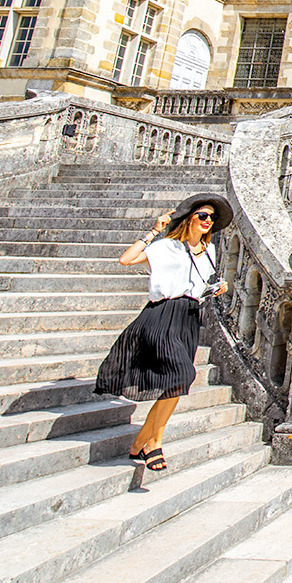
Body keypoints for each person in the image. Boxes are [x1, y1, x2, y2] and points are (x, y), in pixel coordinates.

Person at [94, 192, 233, 472]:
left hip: (190, 318)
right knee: (182, 375)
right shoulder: (167, 246)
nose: (208, 221)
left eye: (212, 218)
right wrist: (154, 232)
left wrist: (219, 287)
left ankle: (138, 445)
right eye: (202, 215)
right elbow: (126, 260)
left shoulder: (210, 252)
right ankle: (154, 442)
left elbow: (201, 282)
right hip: (163, 314)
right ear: (189, 219)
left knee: (175, 383)